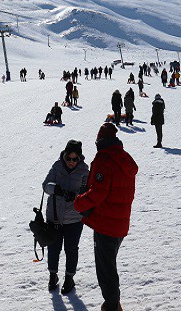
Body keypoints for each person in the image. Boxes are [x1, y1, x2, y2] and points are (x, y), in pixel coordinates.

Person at [74, 123, 138, 311]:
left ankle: (111, 306)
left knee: (105, 269)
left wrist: (79, 202)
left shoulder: (104, 159)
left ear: (100, 140)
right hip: (119, 223)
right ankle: (113, 303)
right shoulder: (124, 158)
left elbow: (98, 193)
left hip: (106, 225)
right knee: (109, 264)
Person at [42, 140, 89, 294]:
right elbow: (45, 185)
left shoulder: (84, 171)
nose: (71, 162)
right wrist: (56, 189)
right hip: (54, 216)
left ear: (79, 158)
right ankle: (52, 275)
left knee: (71, 249)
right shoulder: (57, 166)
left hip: (74, 218)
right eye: (69, 158)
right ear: (65, 155)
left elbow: (87, 193)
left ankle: (69, 278)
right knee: (53, 248)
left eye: (75, 159)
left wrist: (74, 195)